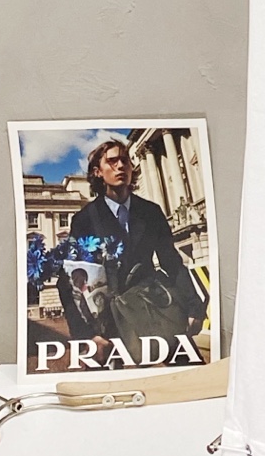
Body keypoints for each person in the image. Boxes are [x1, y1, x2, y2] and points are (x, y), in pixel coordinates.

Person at [64, 138, 207, 358]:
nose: (121, 166)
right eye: (112, 161)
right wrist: (86, 336)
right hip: (109, 324)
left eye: (125, 160)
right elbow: (69, 280)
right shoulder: (85, 219)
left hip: (154, 308)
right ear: (97, 172)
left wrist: (194, 307)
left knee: (187, 369)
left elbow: (172, 262)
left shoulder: (151, 212)